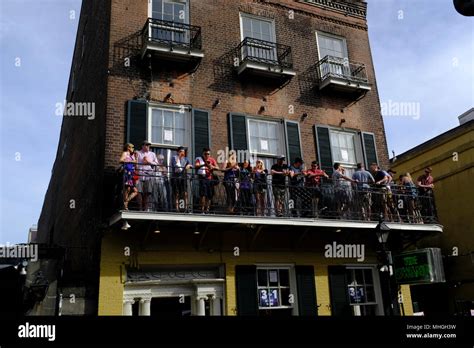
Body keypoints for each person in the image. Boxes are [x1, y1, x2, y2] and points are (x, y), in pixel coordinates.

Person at [136, 140, 158, 211]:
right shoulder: (138, 153)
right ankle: (140, 208)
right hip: (140, 174)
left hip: (149, 175)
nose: (148, 146)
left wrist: (148, 161)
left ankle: (145, 208)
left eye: (149, 145)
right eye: (146, 145)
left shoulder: (152, 154)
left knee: (147, 192)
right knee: (139, 192)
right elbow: (135, 163)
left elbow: (156, 164)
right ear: (142, 146)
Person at [195, 148, 219, 213]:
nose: (207, 155)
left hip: (210, 179)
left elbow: (217, 167)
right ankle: (202, 210)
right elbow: (196, 166)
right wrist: (204, 164)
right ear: (203, 153)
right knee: (203, 194)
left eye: (208, 154)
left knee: (209, 195)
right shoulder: (199, 159)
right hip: (202, 178)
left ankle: (207, 209)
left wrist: (212, 166)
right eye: (205, 154)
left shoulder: (212, 159)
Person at [171, 147, 192, 212]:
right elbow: (177, 166)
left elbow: (191, 165)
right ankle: (176, 208)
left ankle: (186, 208)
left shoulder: (186, 159)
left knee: (185, 193)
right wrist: (179, 157)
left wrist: (189, 165)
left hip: (183, 177)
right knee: (176, 193)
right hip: (176, 177)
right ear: (178, 152)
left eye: (183, 151)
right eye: (181, 151)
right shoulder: (174, 157)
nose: (182, 153)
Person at [119, 143, 138, 210]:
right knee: (128, 189)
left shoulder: (132, 155)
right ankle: (125, 206)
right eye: (132, 147)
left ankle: (126, 202)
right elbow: (120, 160)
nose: (133, 149)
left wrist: (136, 157)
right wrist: (131, 161)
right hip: (127, 172)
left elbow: (135, 164)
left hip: (131, 173)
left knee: (135, 191)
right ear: (128, 148)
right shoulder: (125, 153)